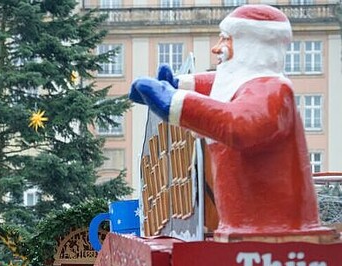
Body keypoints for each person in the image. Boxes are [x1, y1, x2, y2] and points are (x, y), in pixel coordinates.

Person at [128, 4, 334, 242]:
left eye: (226, 39)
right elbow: (216, 87)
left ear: (250, 46)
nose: (216, 48)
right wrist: (176, 85)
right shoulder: (244, 84)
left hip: (274, 237)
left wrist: (173, 102)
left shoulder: (274, 90)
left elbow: (239, 125)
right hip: (249, 232)